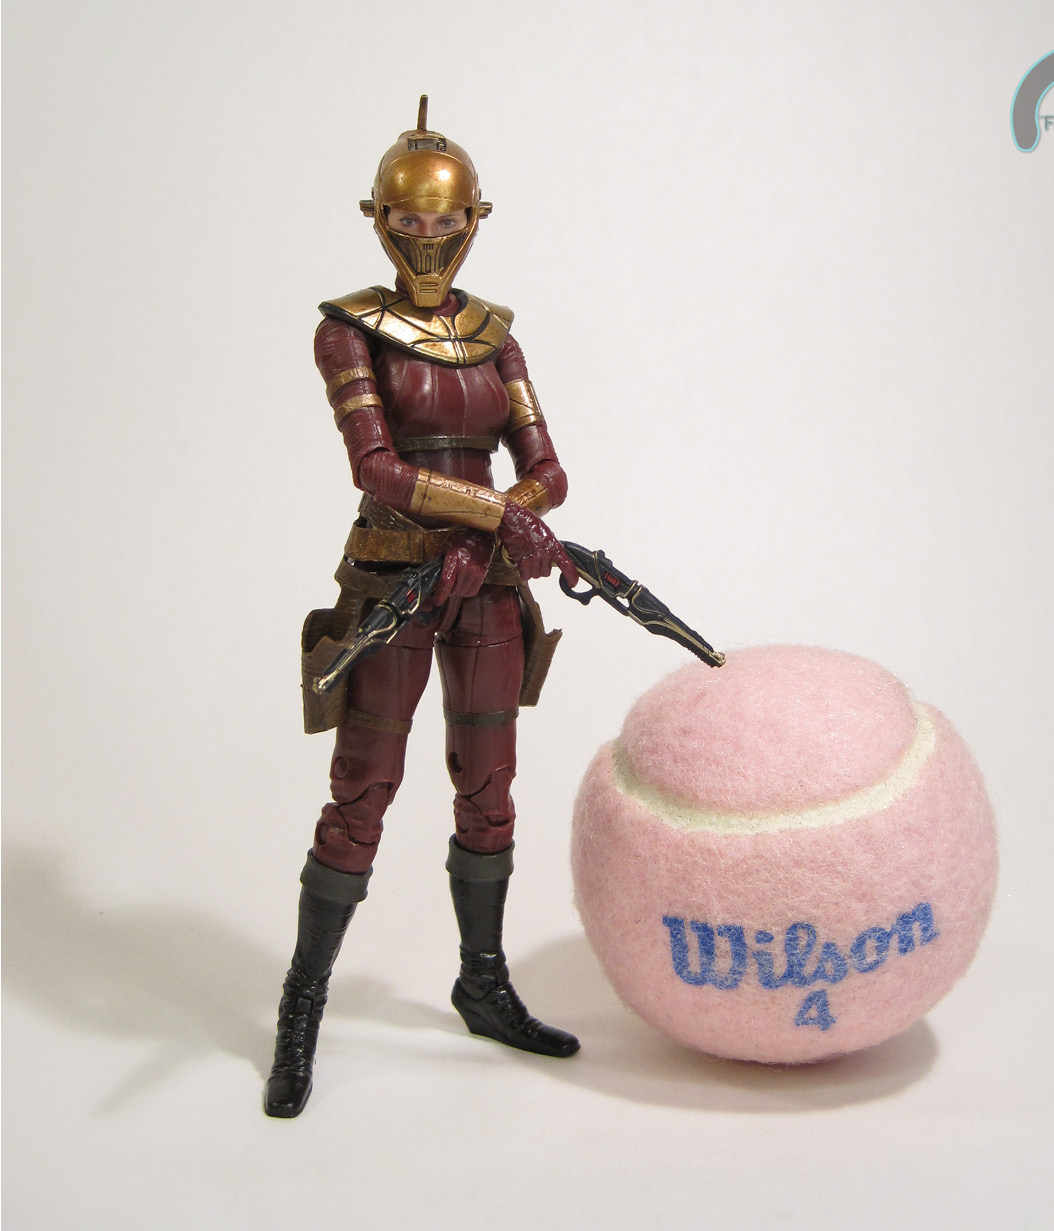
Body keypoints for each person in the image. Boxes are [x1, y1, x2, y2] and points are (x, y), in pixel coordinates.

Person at [263, 97, 581, 1119]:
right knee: (363, 789)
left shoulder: (497, 337)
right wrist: (498, 514)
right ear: (379, 219)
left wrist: (510, 520)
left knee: (489, 786)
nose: (429, 240)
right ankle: (302, 1004)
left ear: (475, 218)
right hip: (396, 582)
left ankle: (481, 983)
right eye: (410, 222)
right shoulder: (347, 330)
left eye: (446, 223)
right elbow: (377, 468)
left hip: (485, 586)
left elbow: (550, 470)